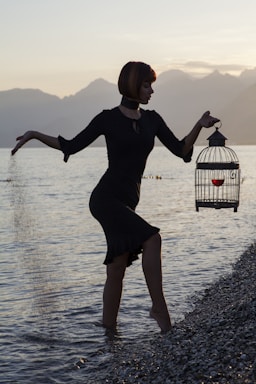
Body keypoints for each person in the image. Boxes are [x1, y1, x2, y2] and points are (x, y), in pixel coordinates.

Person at [11, 61, 219, 334]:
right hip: (105, 199)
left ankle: (108, 330)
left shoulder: (152, 120)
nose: (151, 91)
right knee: (152, 238)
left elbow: (181, 150)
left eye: (151, 85)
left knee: (118, 265)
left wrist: (199, 126)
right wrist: (35, 135)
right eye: (147, 85)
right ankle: (161, 312)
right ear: (132, 85)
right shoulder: (107, 119)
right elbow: (71, 145)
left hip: (128, 201)